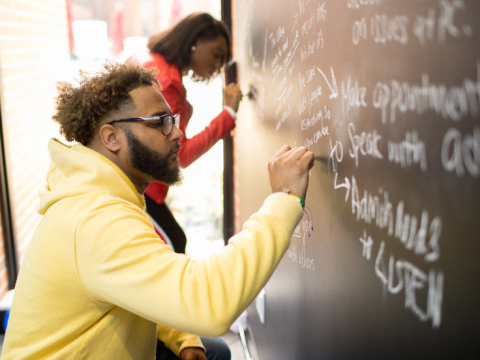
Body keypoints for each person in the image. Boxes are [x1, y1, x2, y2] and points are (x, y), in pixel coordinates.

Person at [0, 62, 314, 360]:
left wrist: (182, 337)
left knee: (211, 349)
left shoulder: (100, 195)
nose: (177, 133)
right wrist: (283, 199)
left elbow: (134, 284)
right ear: (112, 138)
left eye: (173, 120)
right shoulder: (96, 219)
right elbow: (209, 304)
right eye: (161, 122)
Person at [131, 13, 242, 254]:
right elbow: (179, 155)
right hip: (138, 187)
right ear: (196, 41)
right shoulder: (168, 82)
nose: (218, 66)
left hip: (132, 179)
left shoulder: (152, 60)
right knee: (174, 244)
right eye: (216, 54)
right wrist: (228, 115)